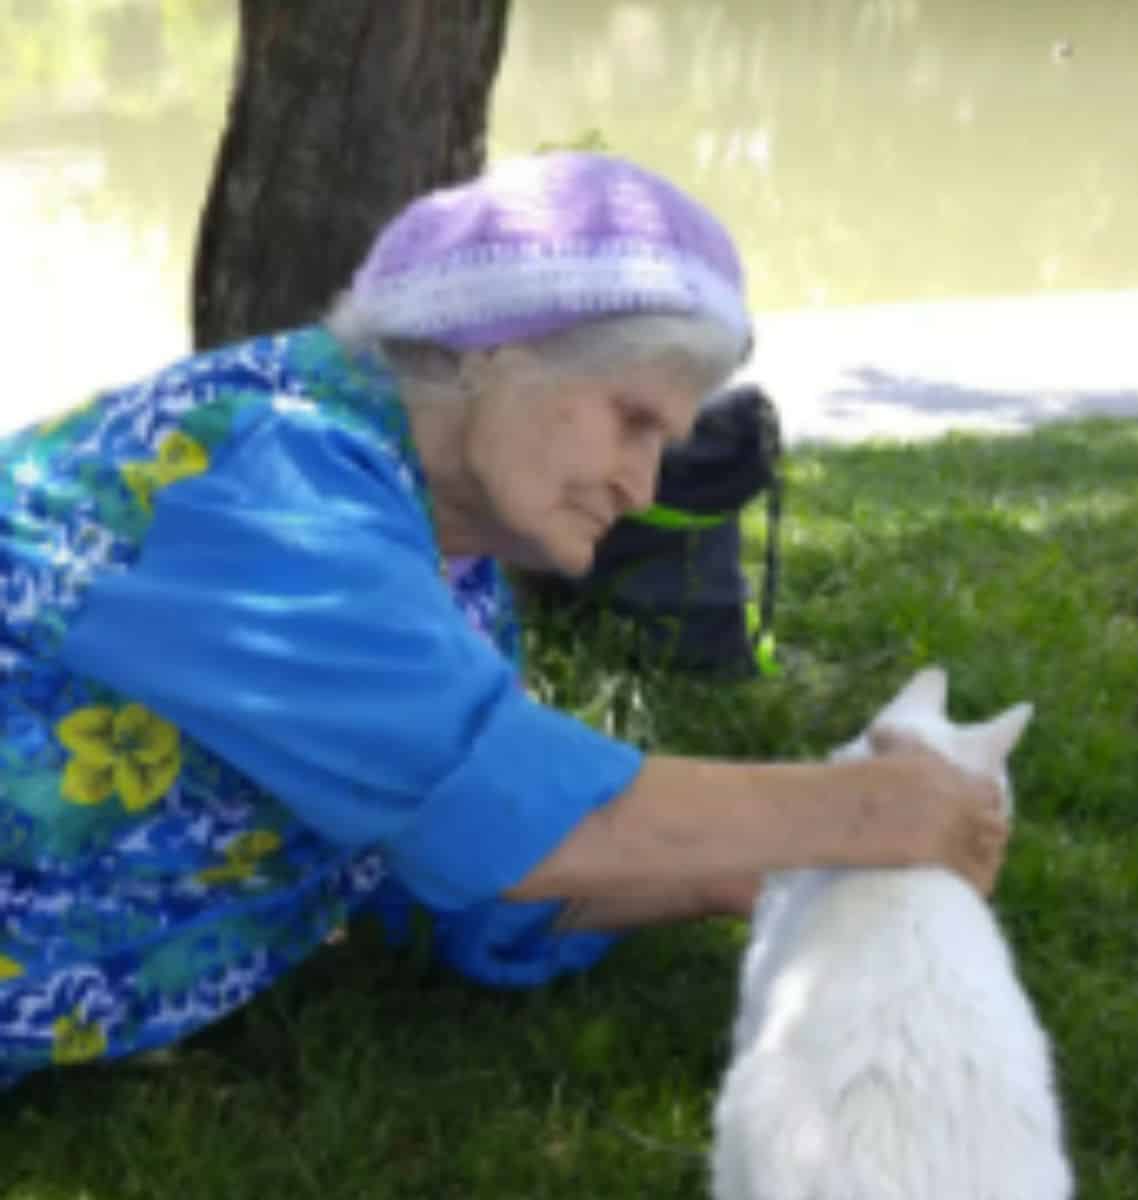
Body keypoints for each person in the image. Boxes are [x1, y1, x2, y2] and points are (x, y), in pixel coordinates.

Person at [0, 152, 1008, 1088]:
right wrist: (866, 810)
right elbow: (506, 807)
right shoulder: (270, 477)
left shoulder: (448, 560)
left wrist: (728, 870)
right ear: (498, 351)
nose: (642, 484)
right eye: (632, 419)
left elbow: (458, 871)